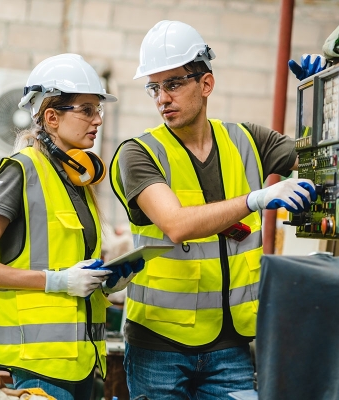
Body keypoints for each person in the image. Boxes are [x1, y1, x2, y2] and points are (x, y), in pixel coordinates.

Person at [109, 20, 317, 400]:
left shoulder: (248, 139)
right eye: (154, 87)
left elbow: (321, 159)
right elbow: (175, 225)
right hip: (159, 345)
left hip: (231, 346)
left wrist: (319, 96)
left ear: (206, 84)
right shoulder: (138, 153)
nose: (162, 98)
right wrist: (256, 199)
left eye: (173, 83)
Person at [0, 53, 143, 400]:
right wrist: (59, 280)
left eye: (98, 110)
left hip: (79, 362)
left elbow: (66, 269)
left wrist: (107, 280)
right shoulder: (21, 172)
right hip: (34, 367)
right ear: (52, 117)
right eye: (86, 110)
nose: (97, 120)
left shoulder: (76, 181)